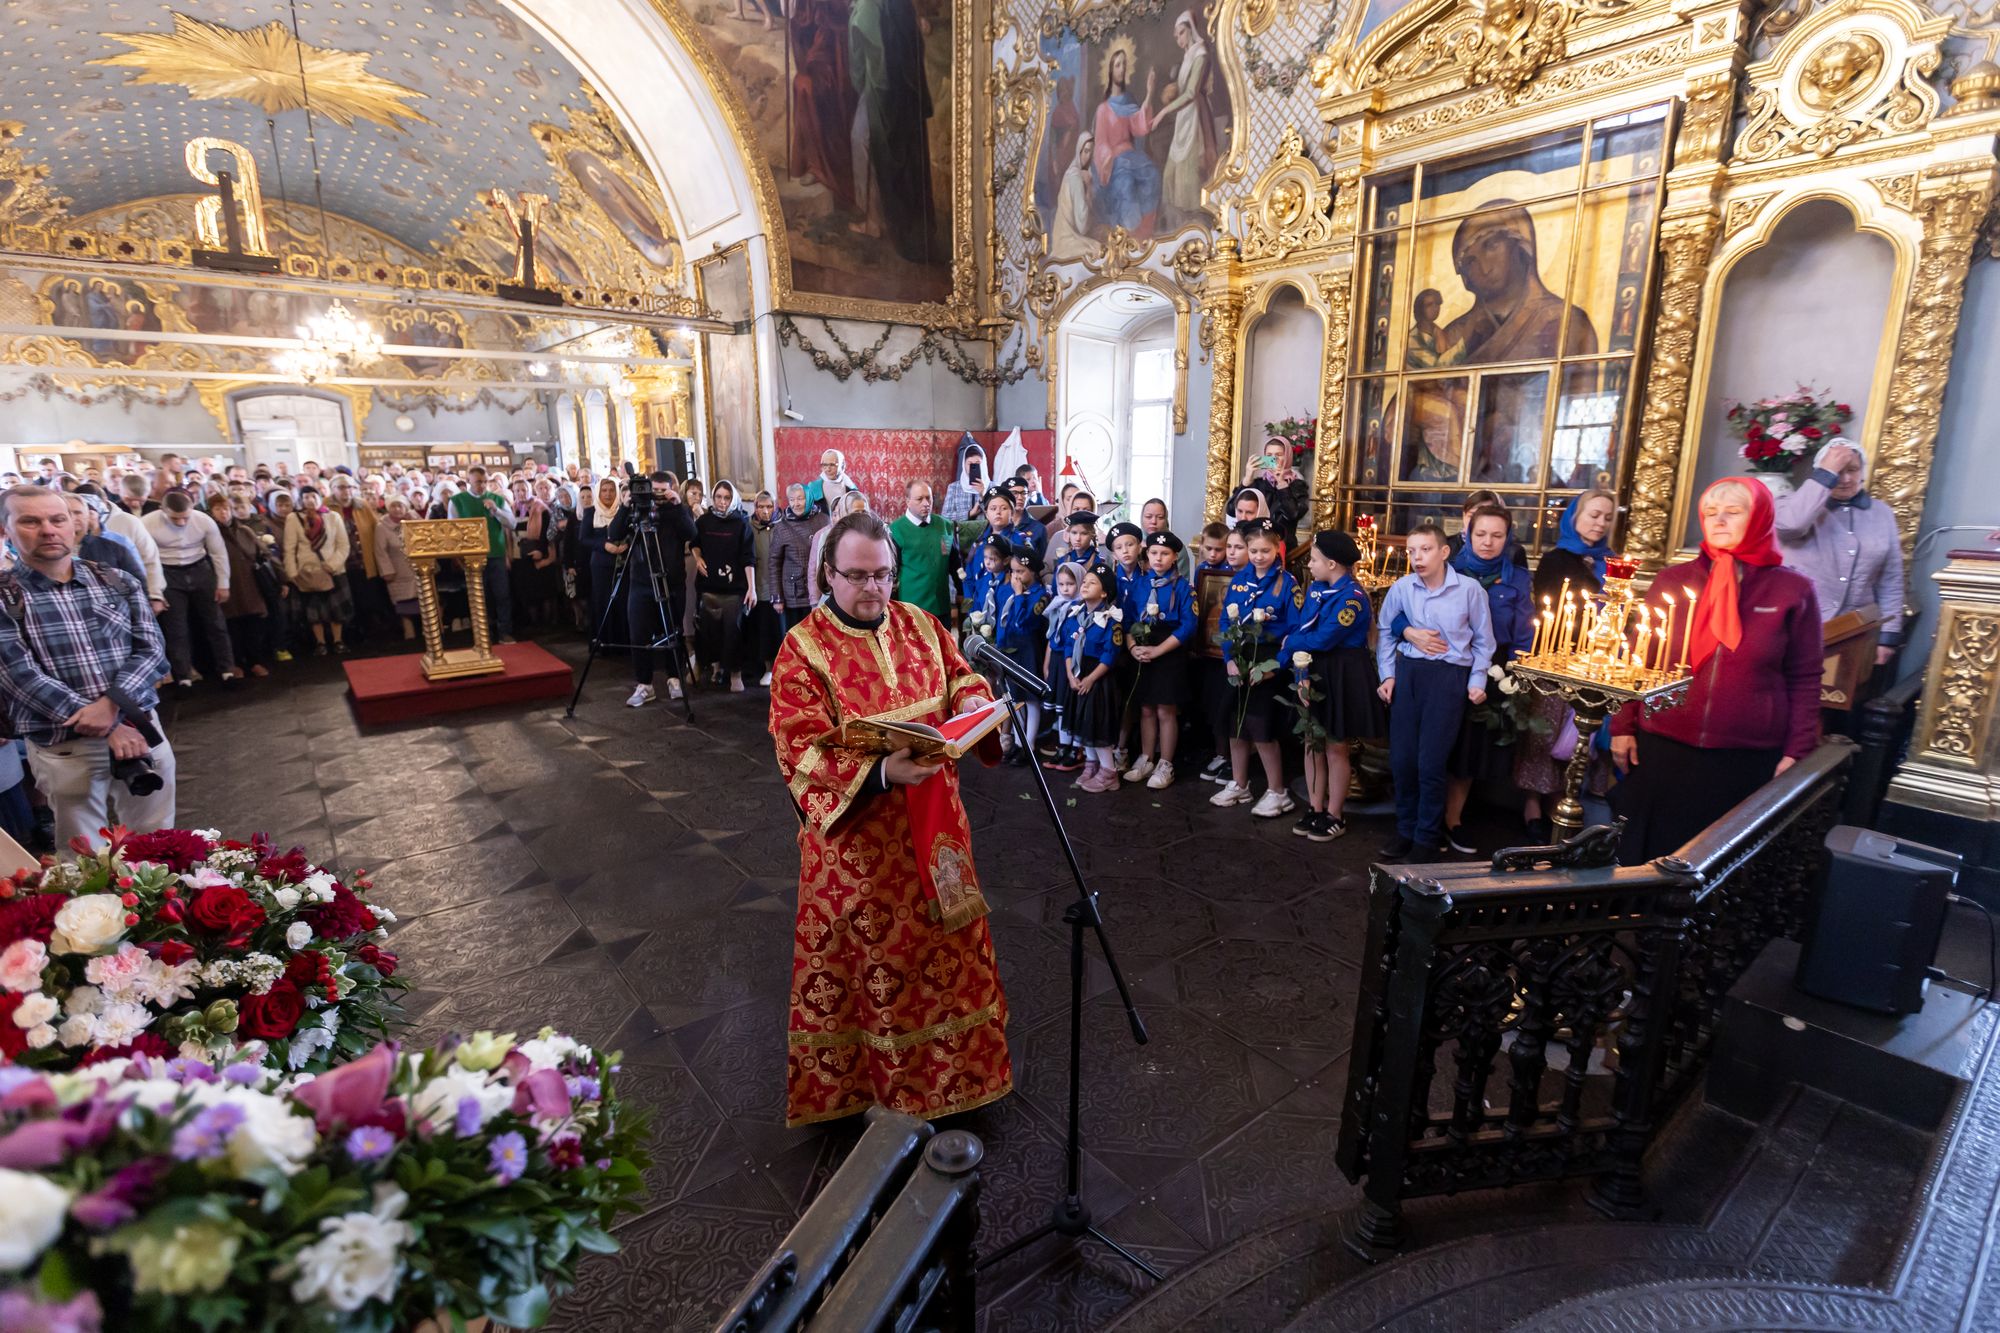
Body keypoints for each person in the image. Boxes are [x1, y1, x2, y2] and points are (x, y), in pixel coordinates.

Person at [767, 510, 1010, 1126]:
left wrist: (975, 706)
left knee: (951, 957)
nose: (872, 588)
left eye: (882, 575)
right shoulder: (802, 650)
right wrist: (880, 773)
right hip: (860, 856)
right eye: (857, 576)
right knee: (880, 970)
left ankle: (961, 1080)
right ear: (828, 573)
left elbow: (962, 679)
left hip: (937, 836)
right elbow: (800, 748)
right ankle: (881, 1092)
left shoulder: (922, 625)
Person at [1611, 479, 1823, 863]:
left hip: (1743, 757)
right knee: (1649, 857)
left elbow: (1805, 678)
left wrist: (1798, 750)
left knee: (1721, 862)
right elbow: (1638, 659)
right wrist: (1622, 726)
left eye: (1733, 512)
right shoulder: (1673, 581)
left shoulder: (1793, 591)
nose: (1719, 520)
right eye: (1710, 513)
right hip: (1662, 746)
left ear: (1759, 518)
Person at [0, 486, 174, 846]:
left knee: (158, 844)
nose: (48, 530)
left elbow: (152, 650)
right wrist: (104, 724)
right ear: (6, 530)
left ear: (73, 524)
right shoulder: (6, 596)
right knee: (84, 853)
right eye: (31, 521)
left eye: (57, 519)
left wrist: (111, 708)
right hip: (65, 744)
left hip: (139, 730)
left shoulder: (115, 580)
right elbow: (19, 675)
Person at [1375, 521, 1495, 862]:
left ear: (1444, 552)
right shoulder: (1402, 588)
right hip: (1409, 674)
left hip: (1448, 678)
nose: (1417, 557)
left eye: (1425, 550)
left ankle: (1426, 837)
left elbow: (1484, 641)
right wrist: (1388, 675)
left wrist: (1477, 680)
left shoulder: (1469, 590)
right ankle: (1405, 830)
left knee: (1430, 763)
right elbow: (1385, 629)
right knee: (1402, 760)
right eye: (1411, 551)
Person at [1515, 489, 1617, 840]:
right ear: (1575, 517)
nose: (1600, 523)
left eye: (1607, 517)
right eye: (1593, 515)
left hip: (1598, 660)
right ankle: (1533, 804)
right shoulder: (1557, 560)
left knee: (1581, 737)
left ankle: (1566, 802)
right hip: (1559, 658)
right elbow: (1554, 608)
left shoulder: (1610, 560)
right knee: (1546, 734)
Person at [1437, 504, 1535, 854]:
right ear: (1467, 534)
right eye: (1480, 534)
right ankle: (1426, 816)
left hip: (1493, 669)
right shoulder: (1447, 569)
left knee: (1469, 746)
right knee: (1438, 740)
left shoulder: (1517, 579)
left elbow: (1523, 633)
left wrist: (1517, 672)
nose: (1488, 542)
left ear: (1508, 538)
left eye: (1497, 535)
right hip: (1446, 661)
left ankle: (1453, 819)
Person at [1280, 531, 1379, 842]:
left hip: (1342, 673)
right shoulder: (1316, 590)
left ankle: (1335, 814)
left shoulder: (1352, 598)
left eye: (1314, 560)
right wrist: (1300, 673)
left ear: (1332, 563)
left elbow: (1323, 639)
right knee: (1312, 742)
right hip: (1313, 668)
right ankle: (1315, 807)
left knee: (1336, 746)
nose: (1309, 565)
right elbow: (1303, 630)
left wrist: (1290, 642)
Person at [1775, 438, 1904, 666]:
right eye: (1838, 471)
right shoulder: (1790, 505)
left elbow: (1890, 579)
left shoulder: (1882, 513)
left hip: (1854, 634)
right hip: (1797, 627)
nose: (1845, 479)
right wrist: (1826, 474)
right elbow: (1790, 526)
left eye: (1852, 470)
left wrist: (1887, 637)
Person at [1212, 518, 1298, 816]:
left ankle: (1278, 791)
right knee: (1235, 724)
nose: (1259, 556)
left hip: (1269, 661)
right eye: (1254, 551)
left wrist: (1277, 667)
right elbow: (1226, 620)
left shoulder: (1287, 584)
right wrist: (1229, 658)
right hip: (1240, 657)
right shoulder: (1239, 580)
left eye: (1265, 551)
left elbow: (1295, 631)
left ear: (1277, 549)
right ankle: (1240, 783)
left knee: (1262, 728)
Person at [611, 471, 698, 707]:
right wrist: (625, 507)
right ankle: (644, 685)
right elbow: (614, 534)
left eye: (662, 490)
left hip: (672, 582)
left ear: (671, 489)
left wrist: (677, 507)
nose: (657, 495)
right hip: (641, 582)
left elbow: (692, 534)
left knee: (673, 631)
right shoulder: (636, 510)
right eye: (654, 490)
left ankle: (674, 679)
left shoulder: (677, 510)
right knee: (638, 634)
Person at [142, 489, 241, 690]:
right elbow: (146, 560)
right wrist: (155, 592)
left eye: (185, 518)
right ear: (163, 510)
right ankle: (184, 678)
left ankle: (227, 670)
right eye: (175, 518)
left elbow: (218, 553)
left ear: (192, 509)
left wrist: (223, 583)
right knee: (176, 628)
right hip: (167, 573)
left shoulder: (203, 520)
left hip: (200, 569)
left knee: (216, 623)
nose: (181, 523)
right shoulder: (146, 523)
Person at [1123, 530, 1196, 789]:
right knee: (1146, 708)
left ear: (1175, 557)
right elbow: (1128, 619)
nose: (1158, 558)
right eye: (1154, 553)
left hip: (1169, 651)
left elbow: (1188, 626)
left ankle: (1166, 763)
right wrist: (1133, 647)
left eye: (1165, 553)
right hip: (1143, 648)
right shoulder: (1140, 584)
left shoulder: (1183, 588)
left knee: (1165, 709)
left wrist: (1158, 650)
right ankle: (1146, 757)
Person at [1064, 559, 1127, 792]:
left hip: (1098, 678)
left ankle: (1109, 772)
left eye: (1093, 583)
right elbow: (1068, 647)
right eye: (1085, 582)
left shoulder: (1111, 620)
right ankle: (1091, 765)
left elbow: (1110, 654)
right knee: (1083, 724)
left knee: (1096, 725)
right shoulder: (1076, 614)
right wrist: (1070, 675)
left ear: (1104, 593)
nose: (1085, 585)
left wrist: (1091, 678)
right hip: (1078, 674)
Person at [693, 479, 758, 693]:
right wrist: (697, 558)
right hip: (708, 586)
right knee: (707, 631)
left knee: (733, 632)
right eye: (719, 497)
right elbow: (695, 543)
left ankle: (735, 673)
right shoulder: (704, 521)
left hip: (734, 588)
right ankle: (711, 667)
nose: (722, 502)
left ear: (733, 499)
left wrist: (752, 588)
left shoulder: (741, 523)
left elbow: (748, 558)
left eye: (727, 498)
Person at [447, 466, 517, 644]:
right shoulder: (457, 501)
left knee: (502, 594)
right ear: (469, 481)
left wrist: (496, 510)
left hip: (496, 553)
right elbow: (452, 531)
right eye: (478, 481)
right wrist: (459, 557)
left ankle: (505, 632)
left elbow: (512, 523)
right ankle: (483, 634)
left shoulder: (496, 499)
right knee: (479, 597)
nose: (482, 485)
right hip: (473, 556)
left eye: (485, 481)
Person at [993, 547, 1050, 765]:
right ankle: (1019, 742)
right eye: (1013, 571)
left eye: (1021, 571)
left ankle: (1030, 745)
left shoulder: (1040, 596)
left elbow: (1024, 622)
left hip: (1029, 651)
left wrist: (1018, 595)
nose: (1016, 576)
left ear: (1033, 572)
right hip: (1011, 650)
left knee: (1030, 698)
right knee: (1015, 698)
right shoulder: (1009, 590)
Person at [282, 484, 354, 656]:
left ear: (319, 498)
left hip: (332, 570)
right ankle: (320, 643)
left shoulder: (333, 516)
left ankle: (338, 641)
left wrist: (332, 565)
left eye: (313, 496)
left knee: (336, 609)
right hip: (307, 571)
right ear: (301, 500)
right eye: (306, 497)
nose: (310, 500)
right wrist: (292, 573)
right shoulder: (294, 518)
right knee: (313, 611)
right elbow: (289, 548)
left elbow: (343, 545)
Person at [207, 494, 272, 678]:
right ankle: (235, 663)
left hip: (248, 582)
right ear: (211, 512)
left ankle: (255, 661)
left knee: (253, 623)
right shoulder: (209, 533)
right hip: (225, 584)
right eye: (218, 509)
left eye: (226, 508)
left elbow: (262, 553)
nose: (223, 513)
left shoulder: (244, 530)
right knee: (231, 625)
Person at [1042, 560, 1086, 771]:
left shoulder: (1081, 608)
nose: (1065, 589)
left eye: (1070, 584)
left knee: (1071, 706)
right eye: (1061, 584)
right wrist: (1047, 662)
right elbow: (1052, 637)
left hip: (1073, 662)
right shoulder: (1057, 604)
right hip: (1057, 661)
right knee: (1060, 707)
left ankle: (1076, 748)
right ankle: (1063, 746)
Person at [890, 479, 954, 624]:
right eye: (919, 499)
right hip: (911, 609)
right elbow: (891, 573)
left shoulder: (945, 526)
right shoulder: (896, 530)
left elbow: (953, 562)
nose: (926, 503)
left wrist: (962, 593)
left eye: (928, 498)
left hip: (942, 606)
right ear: (907, 501)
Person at [772, 483, 828, 632]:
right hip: (793, 594)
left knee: (817, 636)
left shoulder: (823, 520)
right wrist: (777, 597)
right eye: (792, 499)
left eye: (800, 498)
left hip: (819, 590)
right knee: (794, 636)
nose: (796, 504)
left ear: (808, 498)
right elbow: (774, 564)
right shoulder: (781, 526)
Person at [747, 491, 784, 686]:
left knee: (781, 630)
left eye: (769, 506)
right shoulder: (748, 527)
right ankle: (768, 668)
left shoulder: (783, 525)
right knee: (764, 630)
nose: (765, 511)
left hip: (781, 587)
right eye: (761, 507)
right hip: (759, 585)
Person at [374, 494, 422, 642]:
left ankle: (428, 631)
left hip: (418, 568)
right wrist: (387, 571)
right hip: (397, 569)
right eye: (393, 506)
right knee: (403, 603)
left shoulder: (414, 519)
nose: (397, 509)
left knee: (423, 600)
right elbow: (380, 551)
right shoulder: (382, 526)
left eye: (400, 506)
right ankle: (409, 633)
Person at [803, 449, 858, 516]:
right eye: (825, 465)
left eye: (832, 465)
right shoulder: (813, 487)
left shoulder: (851, 488)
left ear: (842, 465)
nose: (828, 469)